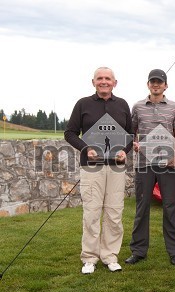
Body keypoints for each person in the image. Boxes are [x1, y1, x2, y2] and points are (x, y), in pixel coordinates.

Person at [65, 67, 132, 274]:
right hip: (91, 167)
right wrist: (86, 148)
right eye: (100, 78)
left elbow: (130, 134)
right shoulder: (83, 104)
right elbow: (70, 133)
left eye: (108, 78)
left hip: (116, 168)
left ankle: (110, 256)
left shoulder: (122, 105)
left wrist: (125, 151)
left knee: (114, 212)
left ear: (115, 82)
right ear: (93, 82)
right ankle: (90, 258)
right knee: (92, 212)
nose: (104, 81)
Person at [125, 69, 175, 266]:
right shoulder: (138, 107)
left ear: (166, 85)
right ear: (148, 84)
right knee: (142, 207)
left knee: (170, 206)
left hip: (167, 164)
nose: (156, 85)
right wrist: (133, 144)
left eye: (159, 82)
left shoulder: (174, 107)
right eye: (153, 82)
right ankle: (138, 251)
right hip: (144, 164)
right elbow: (132, 132)